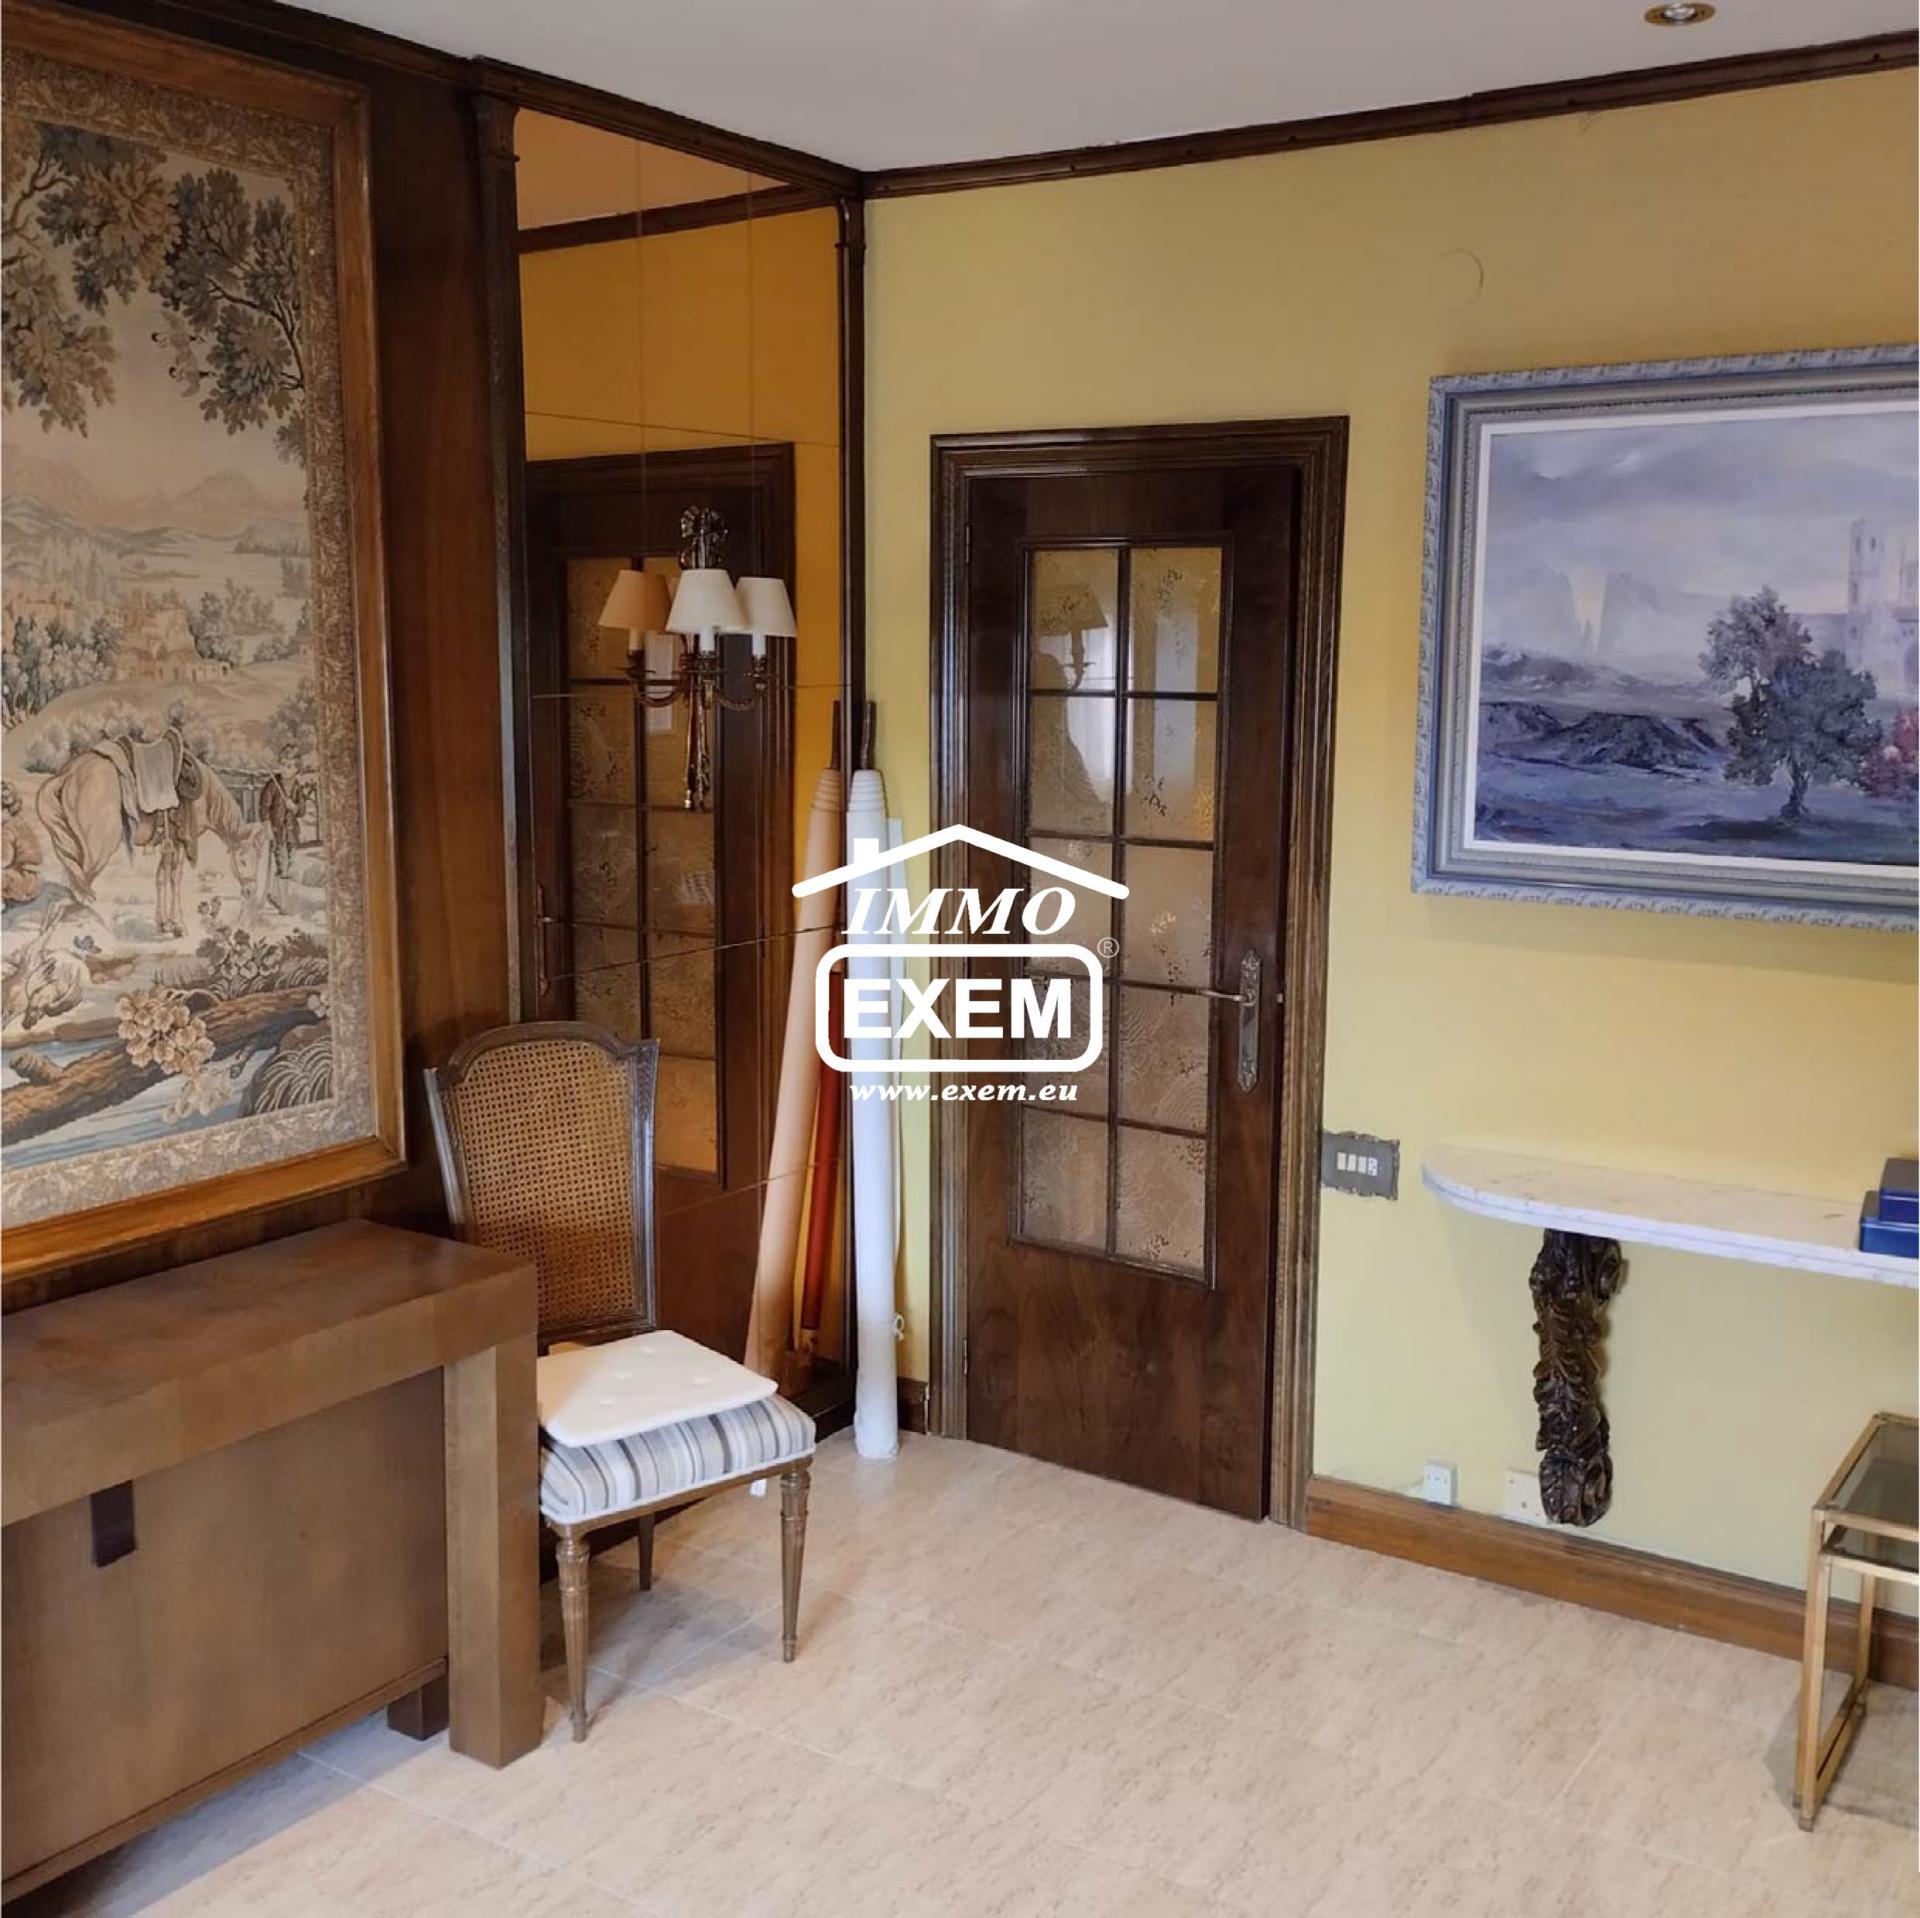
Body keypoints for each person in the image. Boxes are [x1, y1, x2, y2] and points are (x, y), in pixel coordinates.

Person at [2, 781, 44, 904]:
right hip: (34, 881)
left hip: (20, 880)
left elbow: (4, 860)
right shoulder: (19, 823)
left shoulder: (6, 828)